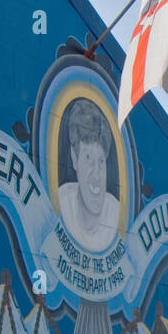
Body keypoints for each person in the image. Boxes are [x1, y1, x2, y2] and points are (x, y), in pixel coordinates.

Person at [57, 99, 120, 253]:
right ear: (74, 158)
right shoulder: (62, 203)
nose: (96, 174)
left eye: (101, 161)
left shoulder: (115, 215)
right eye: (88, 158)